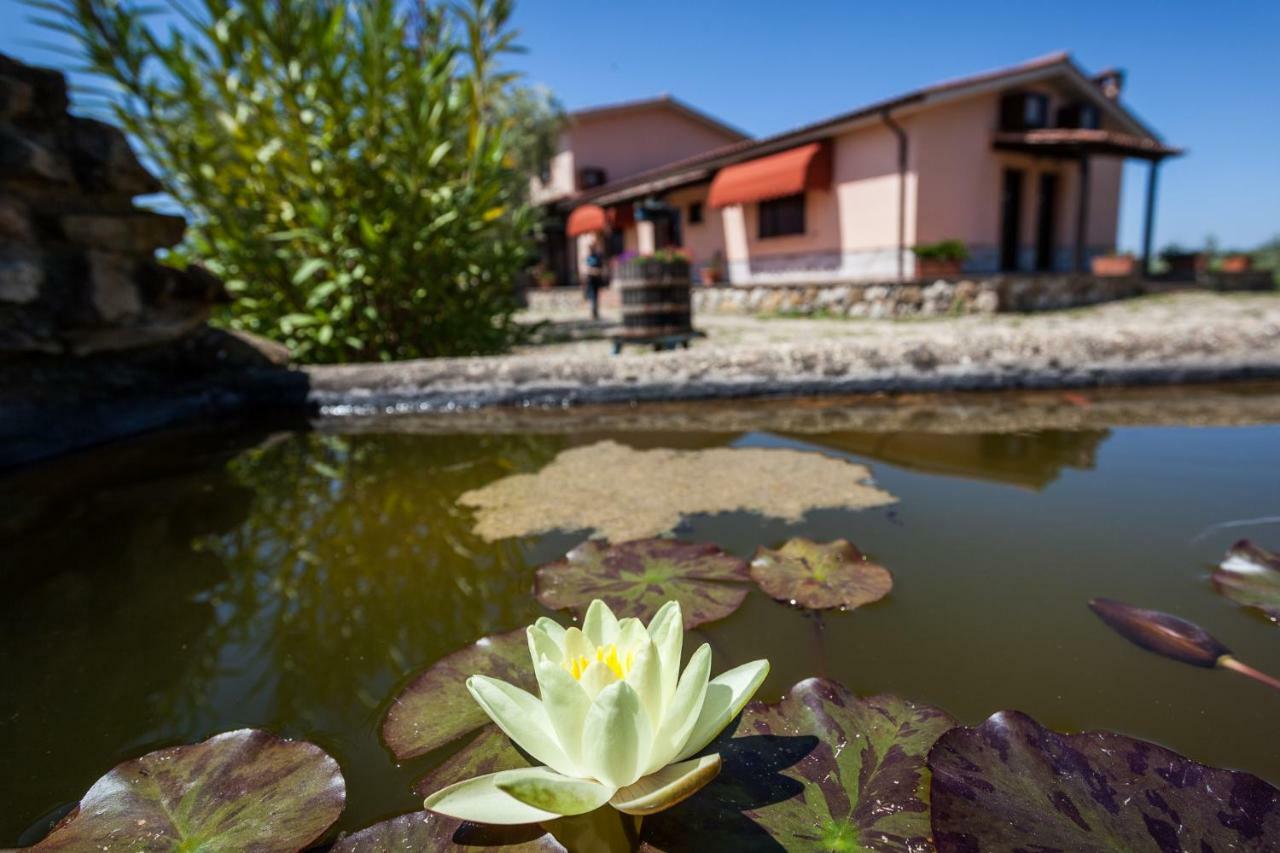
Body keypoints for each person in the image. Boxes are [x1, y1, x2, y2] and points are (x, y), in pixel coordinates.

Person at [583, 239, 605, 320]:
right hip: (590, 279)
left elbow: (601, 268)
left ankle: (595, 312)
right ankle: (593, 312)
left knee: (596, 296)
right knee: (592, 296)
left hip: (597, 279)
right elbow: (587, 268)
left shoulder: (598, 257)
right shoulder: (589, 257)